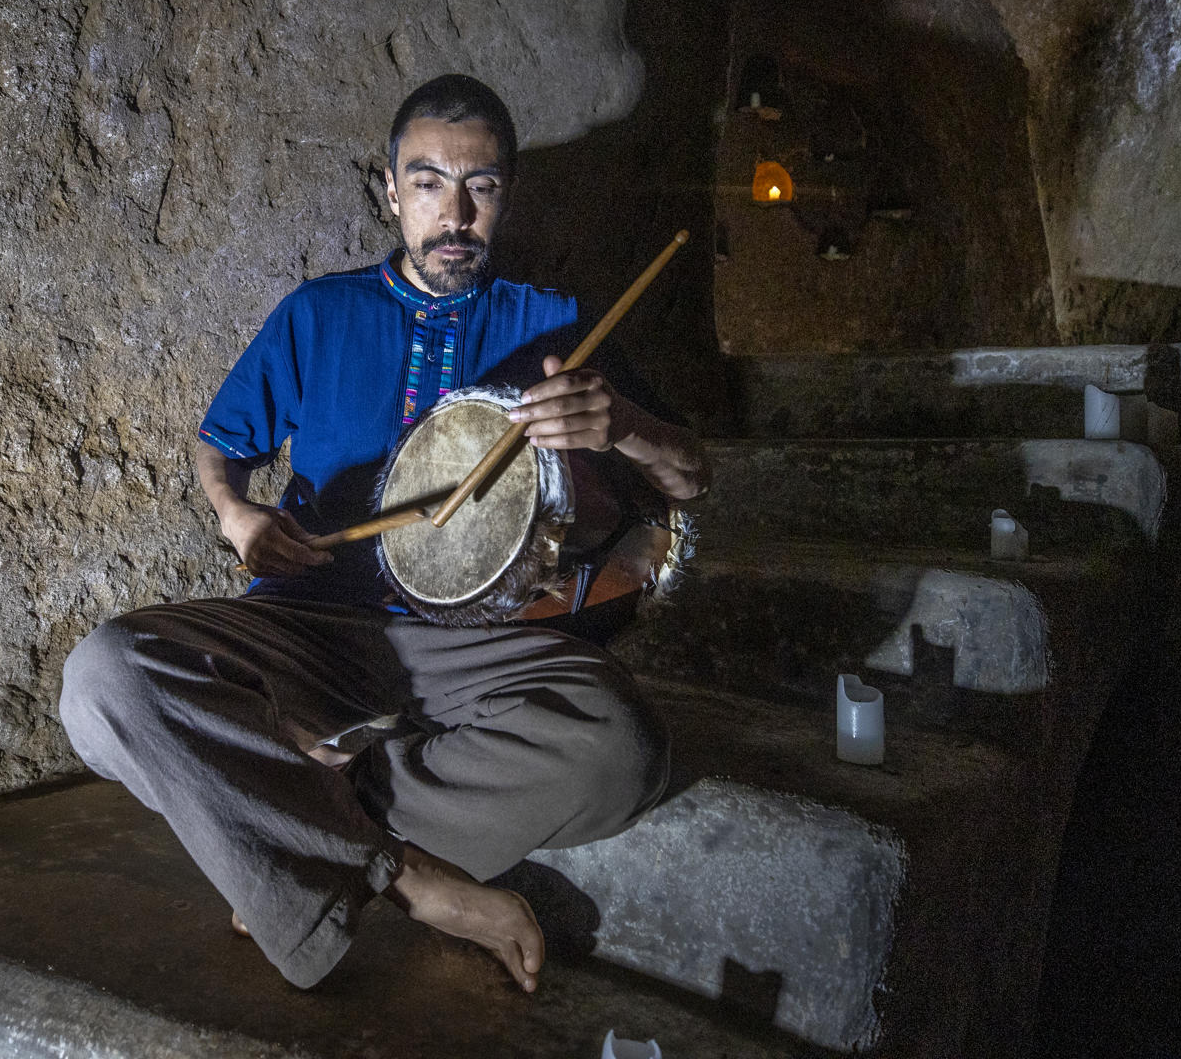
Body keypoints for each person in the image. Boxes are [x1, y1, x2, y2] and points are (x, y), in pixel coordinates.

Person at [58, 74, 710, 996]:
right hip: (308, 625)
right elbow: (220, 447)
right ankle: (408, 877)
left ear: (504, 197)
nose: (455, 211)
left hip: (478, 642)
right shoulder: (319, 313)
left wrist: (623, 427)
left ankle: (293, 843)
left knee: (621, 748)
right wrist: (239, 517)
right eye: (430, 181)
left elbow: (691, 477)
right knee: (102, 682)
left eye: (480, 186)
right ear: (392, 191)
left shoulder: (558, 322)